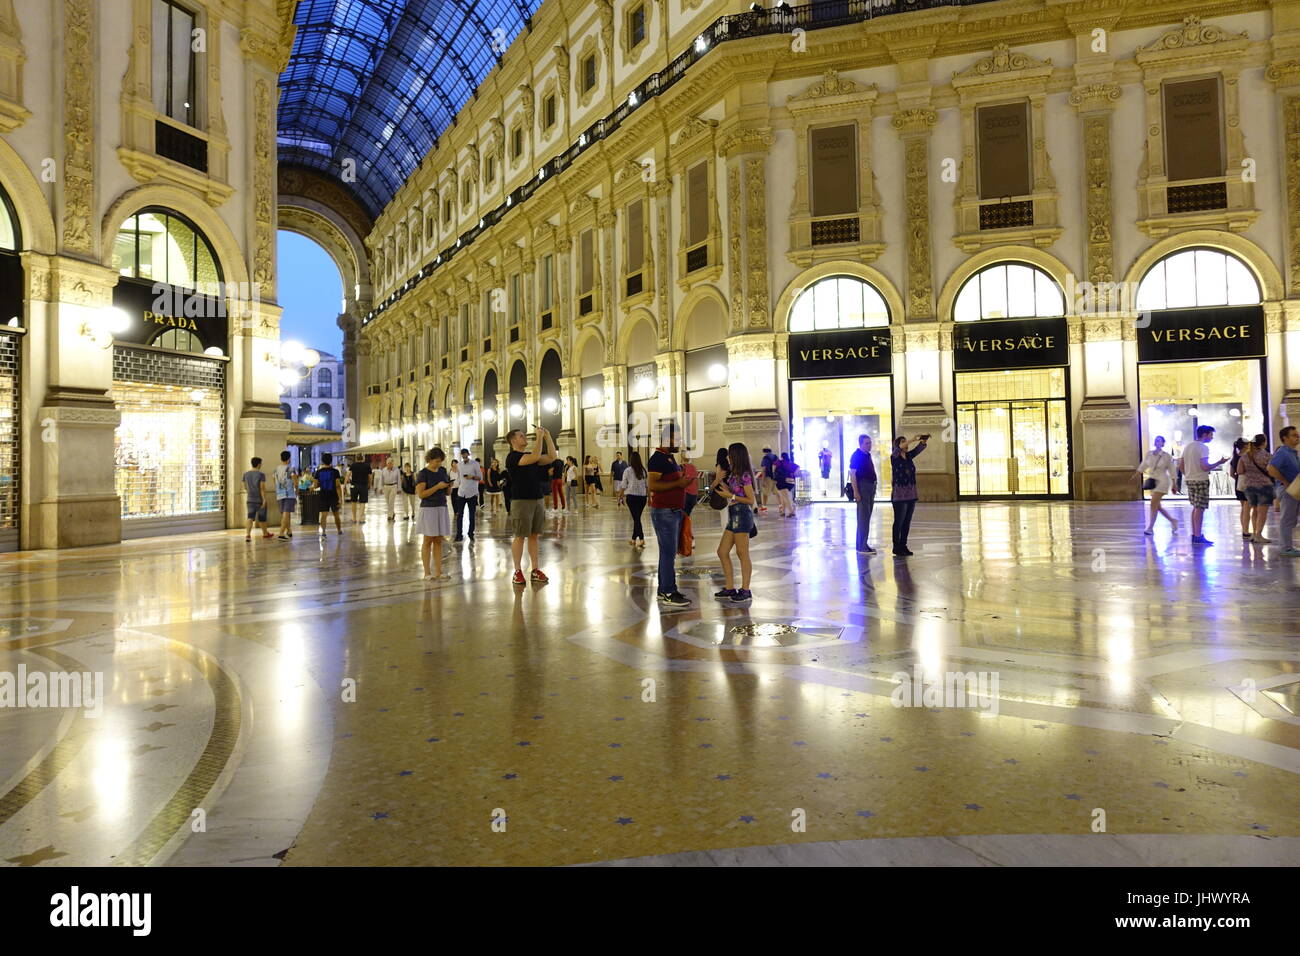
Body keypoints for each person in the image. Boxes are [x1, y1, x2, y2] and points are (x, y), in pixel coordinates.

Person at [648, 423, 693, 608]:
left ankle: (663, 590)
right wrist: (679, 484)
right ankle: (668, 591)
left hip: (672, 511)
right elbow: (653, 485)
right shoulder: (657, 458)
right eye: (678, 438)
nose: (680, 442)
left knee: (666, 553)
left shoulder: (669, 458)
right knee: (668, 554)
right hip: (664, 512)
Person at [506, 426, 556, 585]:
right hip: (521, 500)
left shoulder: (530, 455)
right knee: (520, 535)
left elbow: (552, 457)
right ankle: (517, 571)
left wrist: (548, 436)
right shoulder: (512, 457)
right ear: (514, 440)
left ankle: (535, 570)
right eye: (521, 436)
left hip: (537, 498)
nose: (525, 437)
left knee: (534, 535)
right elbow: (535, 457)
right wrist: (539, 437)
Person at [712, 442, 757, 604]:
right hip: (733, 516)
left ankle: (746, 590)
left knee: (742, 553)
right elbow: (733, 493)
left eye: (730, 455)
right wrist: (722, 485)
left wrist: (730, 496)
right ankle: (730, 587)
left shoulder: (744, 475)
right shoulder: (734, 474)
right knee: (722, 551)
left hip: (742, 515)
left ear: (736, 456)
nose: (727, 458)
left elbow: (750, 500)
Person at [1179, 425, 1228, 545]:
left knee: (1195, 507)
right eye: (1211, 435)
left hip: (1190, 480)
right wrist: (1219, 462)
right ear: (1205, 434)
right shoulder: (1203, 447)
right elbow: (1204, 466)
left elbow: (1181, 466)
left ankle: (1195, 534)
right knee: (1200, 508)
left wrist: (1189, 475)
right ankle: (1198, 535)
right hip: (1201, 480)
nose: (1212, 437)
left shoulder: (1187, 446)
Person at [415, 448, 453, 581]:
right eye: (437, 461)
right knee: (428, 540)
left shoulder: (442, 471)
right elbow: (421, 494)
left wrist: (449, 487)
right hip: (429, 508)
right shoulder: (423, 474)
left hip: (441, 506)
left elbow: (447, 493)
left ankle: (438, 571)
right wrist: (437, 486)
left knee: (438, 540)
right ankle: (427, 572)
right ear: (430, 460)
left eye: (441, 461)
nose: (439, 464)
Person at [889, 434, 929, 556]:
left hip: (911, 494)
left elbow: (918, 450)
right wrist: (912, 439)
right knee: (899, 521)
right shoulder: (894, 456)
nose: (906, 444)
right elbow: (899, 449)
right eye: (903, 442)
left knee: (907, 521)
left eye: (906, 442)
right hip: (899, 495)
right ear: (898, 445)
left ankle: (903, 545)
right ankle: (896, 547)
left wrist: (923, 441)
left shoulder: (908, 456)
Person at [1133, 436, 1179, 535]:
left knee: (1153, 504)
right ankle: (1173, 521)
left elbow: (1172, 470)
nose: (1157, 442)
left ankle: (1150, 528)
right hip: (1153, 481)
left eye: (1160, 441)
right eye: (1156, 440)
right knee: (1157, 506)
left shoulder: (1166, 456)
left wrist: (1174, 484)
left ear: (1163, 443)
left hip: (1162, 481)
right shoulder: (1149, 454)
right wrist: (1135, 475)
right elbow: (1143, 465)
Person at [1266, 425, 1300, 556]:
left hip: (1295, 489)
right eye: (1294, 435)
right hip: (1288, 490)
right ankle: (1286, 548)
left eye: (1298, 435)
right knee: (1287, 519)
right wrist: (1285, 481)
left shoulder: (1293, 453)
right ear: (1285, 438)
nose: (1298, 437)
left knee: (1291, 519)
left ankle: (1288, 546)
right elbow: (1271, 468)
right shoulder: (1283, 452)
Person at [1238, 434, 1274, 544]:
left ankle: (1254, 533)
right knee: (1262, 513)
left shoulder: (1245, 456)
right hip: (1264, 486)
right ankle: (1259, 535)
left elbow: (1240, 471)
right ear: (1264, 442)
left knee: (1254, 511)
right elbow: (1271, 470)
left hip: (1249, 487)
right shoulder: (1267, 456)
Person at [848, 434, 878, 553]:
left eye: (870, 443)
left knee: (867, 516)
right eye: (867, 443)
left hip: (871, 487)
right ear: (860, 444)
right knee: (863, 518)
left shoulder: (867, 455)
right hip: (863, 487)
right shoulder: (857, 456)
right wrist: (856, 491)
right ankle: (861, 545)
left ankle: (863, 543)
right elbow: (853, 474)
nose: (869, 445)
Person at [452, 447, 482, 541]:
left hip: (472, 493)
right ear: (461, 455)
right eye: (462, 454)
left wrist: (472, 477)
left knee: (471, 515)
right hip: (461, 493)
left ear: (468, 454)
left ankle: (470, 533)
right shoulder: (459, 465)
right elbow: (459, 478)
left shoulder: (475, 464)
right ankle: (459, 534)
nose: (464, 455)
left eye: (465, 454)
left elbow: (480, 477)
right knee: (459, 514)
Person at [620, 450, 649, 547]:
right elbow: (647, 485)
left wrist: (620, 497)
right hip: (642, 498)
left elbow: (623, 485)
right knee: (637, 518)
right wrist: (649, 498)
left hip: (632, 498)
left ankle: (642, 539)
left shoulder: (627, 471)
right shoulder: (643, 470)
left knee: (636, 519)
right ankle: (633, 539)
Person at [314, 452, 344, 535]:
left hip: (323, 495)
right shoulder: (335, 471)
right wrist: (340, 498)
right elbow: (338, 486)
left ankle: (323, 531)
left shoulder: (318, 472)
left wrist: (321, 483)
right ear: (331, 461)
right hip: (333, 495)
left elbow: (315, 485)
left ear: (322, 461)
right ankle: (339, 530)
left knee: (324, 514)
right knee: (336, 514)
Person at [242, 457, 271, 541]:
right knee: (262, 517)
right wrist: (264, 499)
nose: (261, 465)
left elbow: (245, 487)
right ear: (259, 464)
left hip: (250, 499)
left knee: (250, 517)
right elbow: (262, 488)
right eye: (261, 463)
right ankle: (265, 533)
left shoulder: (245, 474)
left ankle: (248, 535)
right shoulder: (261, 475)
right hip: (259, 500)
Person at [1229, 438, 1251, 538]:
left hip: (1238, 484)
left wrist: (1238, 479)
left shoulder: (1234, 458)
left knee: (1243, 508)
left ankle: (1244, 529)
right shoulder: (1247, 458)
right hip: (1248, 483)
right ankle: (1246, 531)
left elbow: (1231, 473)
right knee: (1247, 508)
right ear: (1245, 446)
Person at [273, 450, 297, 540]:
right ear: (289, 459)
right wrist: (297, 491)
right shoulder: (291, 469)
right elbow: (295, 482)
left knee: (285, 514)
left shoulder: (276, 469)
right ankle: (281, 534)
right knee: (286, 514)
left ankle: (289, 530)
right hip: (289, 494)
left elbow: (273, 480)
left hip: (279, 494)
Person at [348, 456, 372, 523]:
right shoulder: (367, 466)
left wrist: (345, 483)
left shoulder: (353, 465)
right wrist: (369, 484)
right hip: (364, 485)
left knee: (353, 501)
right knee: (362, 502)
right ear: (363, 458)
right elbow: (370, 476)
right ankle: (361, 518)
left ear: (356, 459)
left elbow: (348, 474)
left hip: (354, 485)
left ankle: (354, 518)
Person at [774, 452, 798, 517]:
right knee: (784, 496)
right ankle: (783, 511)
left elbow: (774, 470)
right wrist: (794, 475)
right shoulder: (790, 463)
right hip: (790, 482)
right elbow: (797, 468)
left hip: (782, 481)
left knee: (786, 497)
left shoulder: (778, 462)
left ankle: (791, 511)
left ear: (781, 457)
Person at [378, 456, 401, 522]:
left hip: (393, 486)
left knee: (391, 501)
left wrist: (399, 489)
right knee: (387, 502)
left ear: (393, 464)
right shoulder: (383, 470)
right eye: (388, 463)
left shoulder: (396, 470)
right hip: (386, 487)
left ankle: (390, 515)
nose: (390, 464)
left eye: (391, 463)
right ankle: (392, 513)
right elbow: (381, 480)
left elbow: (398, 479)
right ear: (386, 463)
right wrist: (380, 488)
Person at [680, 452, 699, 518]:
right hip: (693, 495)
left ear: (682, 458)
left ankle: (683, 527)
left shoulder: (681, 467)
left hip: (685, 494)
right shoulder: (694, 467)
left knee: (682, 516)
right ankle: (686, 527)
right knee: (687, 515)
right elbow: (696, 482)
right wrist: (697, 494)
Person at [758, 447, 777, 513]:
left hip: (768, 477)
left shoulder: (765, 458)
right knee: (777, 492)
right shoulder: (775, 457)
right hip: (775, 477)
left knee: (765, 492)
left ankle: (764, 507)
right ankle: (781, 506)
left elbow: (764, 469)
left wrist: (763, 480)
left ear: (764, 451)